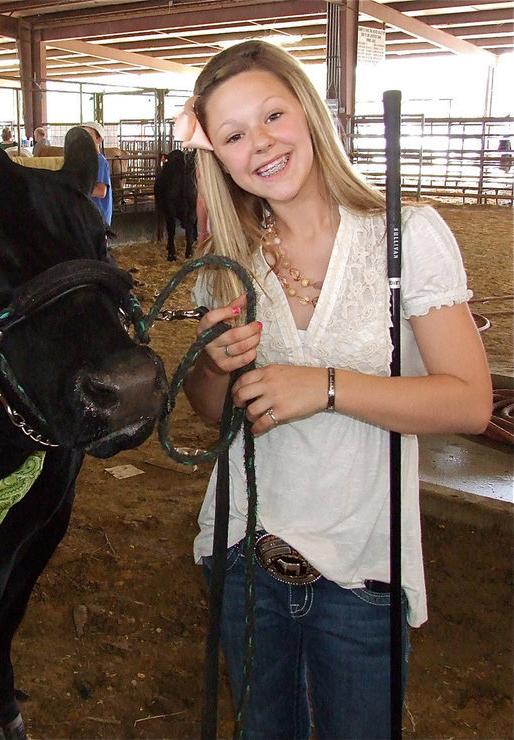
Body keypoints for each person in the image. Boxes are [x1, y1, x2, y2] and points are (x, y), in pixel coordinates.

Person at [177, 40, 491, 739]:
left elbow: (468, 401)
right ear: (218, 157)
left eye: (272, 116)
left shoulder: (405, 237)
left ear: (308, 112)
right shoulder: (228, 263)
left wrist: (323, 387)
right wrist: (213, 365)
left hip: (361, 568)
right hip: (243, 553)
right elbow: (209, 412)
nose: (259, 144)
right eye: (233, 135)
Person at [81, 121, 113, 226]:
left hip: (98, 217)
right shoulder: (85, 161)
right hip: (90, 216)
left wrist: (76, 187)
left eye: (89, 135)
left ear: (99, 140)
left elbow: (101, 191)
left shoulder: (100, 161)